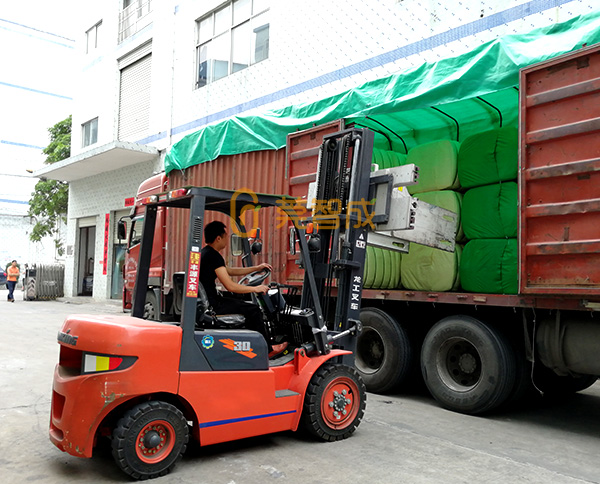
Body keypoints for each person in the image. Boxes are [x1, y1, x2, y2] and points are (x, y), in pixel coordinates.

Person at [200, 221, 287, 356]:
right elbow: (230, 286)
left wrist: (256, 268)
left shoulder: (205, 253)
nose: (227, 240)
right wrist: (256, 289)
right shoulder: (213, 256)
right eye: (225, 236)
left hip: (209, 302)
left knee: (240, 304)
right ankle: (267, 350)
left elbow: (229, 271)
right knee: (253, 310)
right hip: (214, 305)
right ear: (218, 238)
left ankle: (256, 344)